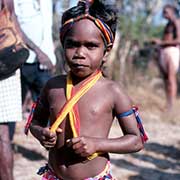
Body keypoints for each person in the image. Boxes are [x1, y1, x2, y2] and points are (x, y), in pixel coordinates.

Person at [27, 0, 147, 179]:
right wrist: (41, 133)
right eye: (72, 44)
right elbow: (34, 122)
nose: (80, 53)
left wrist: (97, 144)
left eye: (91, 46)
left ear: (106, 52)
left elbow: (136, 141)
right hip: (53, 175)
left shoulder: (113, 91)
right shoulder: (52, 86)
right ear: (63, 45)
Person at [152, 4, 180, 110]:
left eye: (166, 12)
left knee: (171, 78)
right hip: (164, 51)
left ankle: (171, 106)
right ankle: (168, 104)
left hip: (172, 52)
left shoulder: (177, 22)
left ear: (172, 12)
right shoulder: (168, 24)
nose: (164, 14)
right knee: (166, 79)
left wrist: (161, 42)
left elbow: (178, 40)